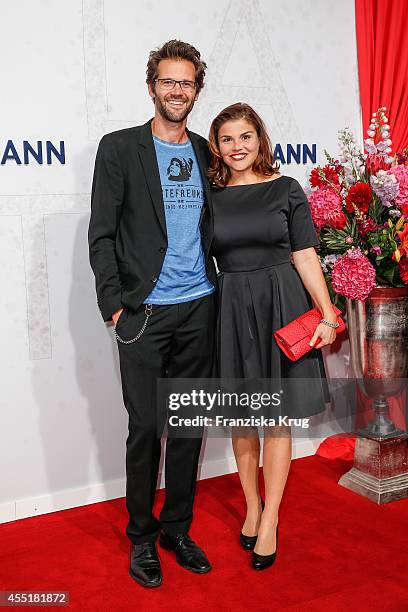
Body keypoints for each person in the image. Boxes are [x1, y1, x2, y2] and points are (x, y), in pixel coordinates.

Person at [88, 40, 217, 589]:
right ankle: (141, 536)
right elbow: (102, 235)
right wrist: (114, 307)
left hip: (199, 308)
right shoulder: (119, 149)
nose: (177, 90)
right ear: (151, 87)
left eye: (186, 82)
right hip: (143, 314)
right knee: (146, 428)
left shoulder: (208, 153)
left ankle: (176, 529)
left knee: (188, 426)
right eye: (168, 81)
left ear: (196, 91)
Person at [208, 103, 338, 571]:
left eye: (245, 136)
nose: (237, 147)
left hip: (282, 304)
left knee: (277, 416)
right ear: (216, 147)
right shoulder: (211, 195)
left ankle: (272, 518)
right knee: (243, 419)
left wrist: (326, 312)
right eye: (227, 139)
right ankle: (252, 505)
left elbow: (304, 255)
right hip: (232, 307)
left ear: (260, 139)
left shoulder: (286, 189)